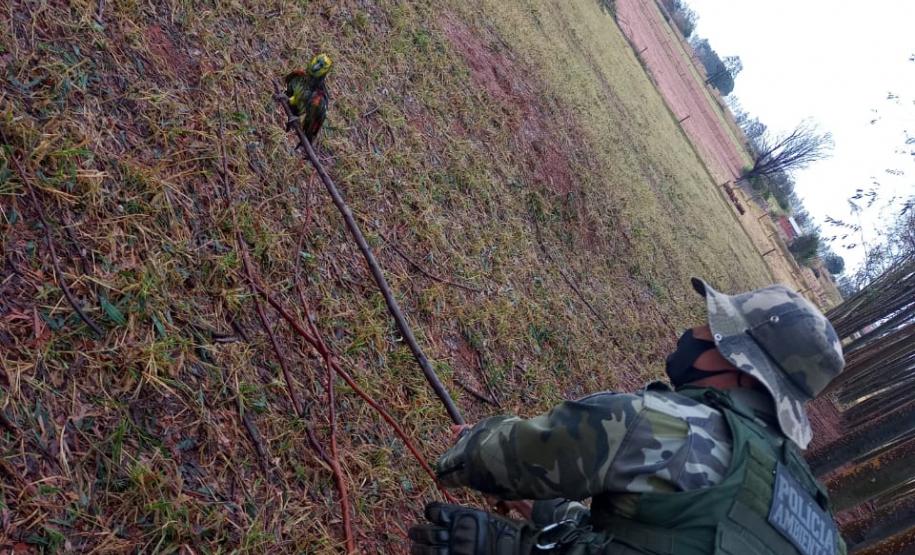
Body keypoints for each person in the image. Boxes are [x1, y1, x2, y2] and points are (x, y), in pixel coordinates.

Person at [409, 278, 847, 554]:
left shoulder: (663, 425)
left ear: (739, 365)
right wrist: (550, 510)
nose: (694, 334)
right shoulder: (822, 531)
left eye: (713, 330)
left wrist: (475, 446)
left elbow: (499, 458)